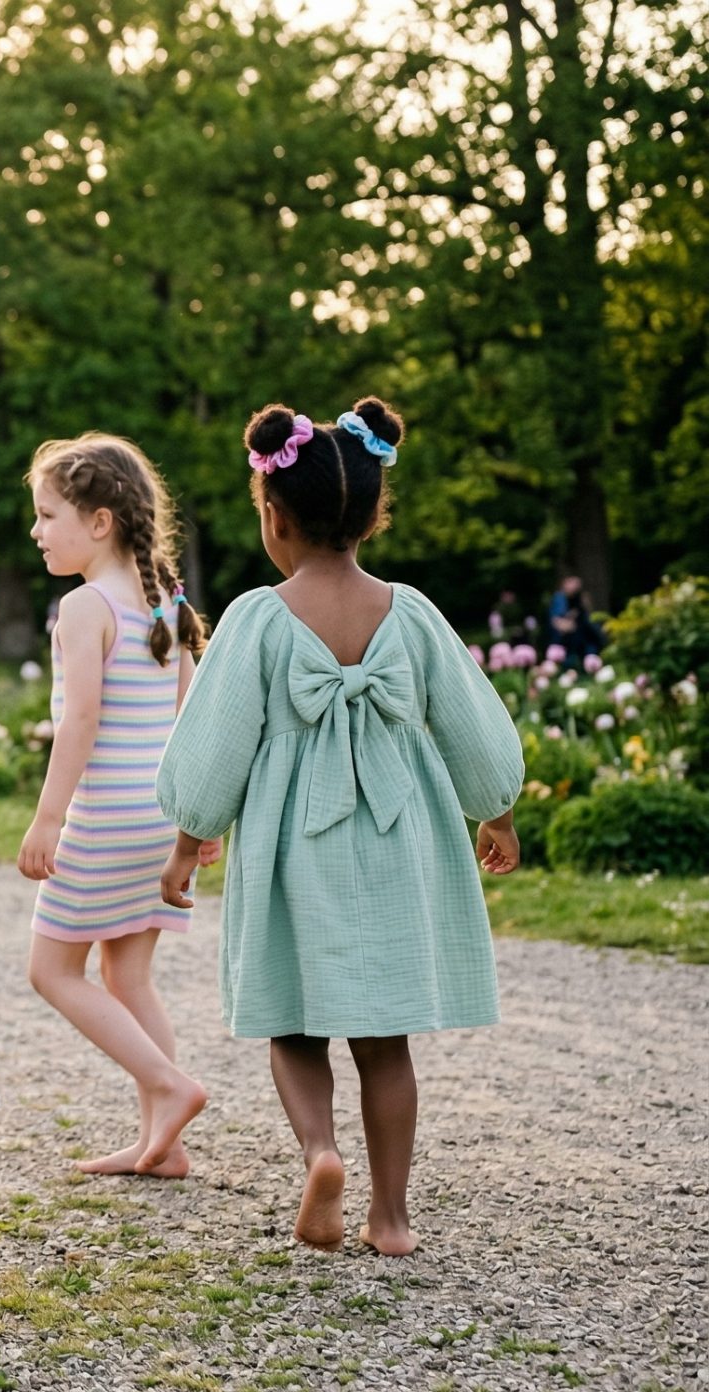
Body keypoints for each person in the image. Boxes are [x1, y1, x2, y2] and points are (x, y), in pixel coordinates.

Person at [157, 397, 523, 1257]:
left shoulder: (256, 617)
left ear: (275, 517)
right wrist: (497, 810)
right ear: (372, 514)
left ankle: (321, 1153)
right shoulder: (413, 612)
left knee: (293, 1022)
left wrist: (188, 841)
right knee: (385, 1041)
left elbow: (214, 743)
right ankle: (391, 1217)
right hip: (396, 841)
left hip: (296, 847)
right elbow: (472, 721)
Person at [15, 434, 214, 1178]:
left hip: (104, 820)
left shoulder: (84, 605)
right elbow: (191, 719)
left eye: (48, 515)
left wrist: (48, 818)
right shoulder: (167, 601)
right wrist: (196, 823)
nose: (37, 530)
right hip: (160, 821)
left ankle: (170, 1086)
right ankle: (164, 1145)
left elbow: (80, 721)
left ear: (99, 522)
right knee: (129, 979)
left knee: (52, 972)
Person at [549, 574, 602, 667]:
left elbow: (591, 621)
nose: (575, 585)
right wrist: (569, 624)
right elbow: (559, 623)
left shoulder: (581, 599)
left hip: (586, 646)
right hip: (567, 648)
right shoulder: (559, 599)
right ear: (564, 583)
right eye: (571, 582)